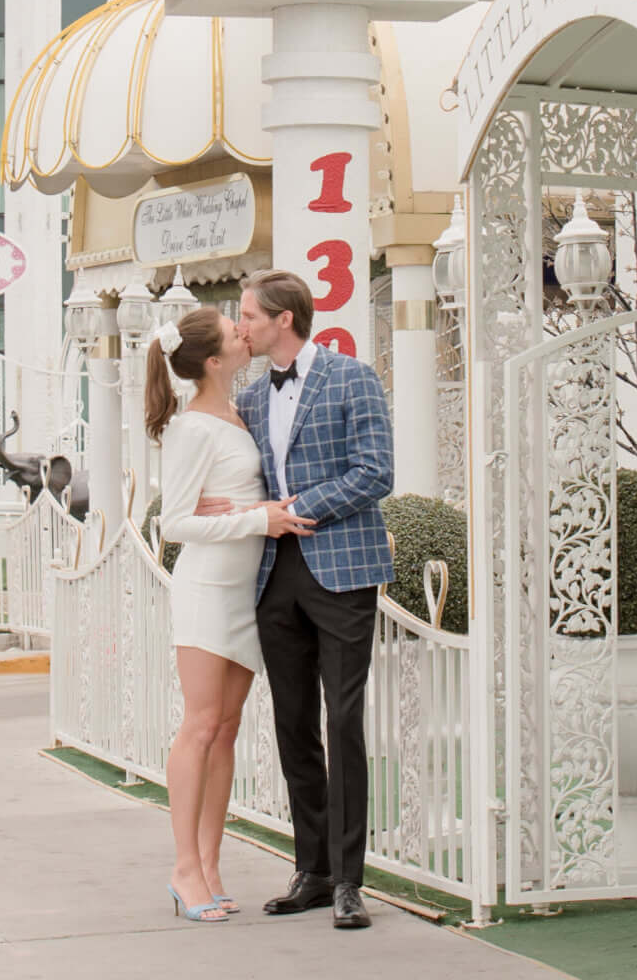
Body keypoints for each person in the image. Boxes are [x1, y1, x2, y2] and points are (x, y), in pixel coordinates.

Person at [229, 270, 395, 933]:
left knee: (343, 721)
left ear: (284, 320)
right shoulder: (245, 398)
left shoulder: (353, 378)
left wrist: (302, 508)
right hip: (275, 575)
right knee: (293, 725)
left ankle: (353, 881)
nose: (241, 325)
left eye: (248, 315)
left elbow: (376, 471)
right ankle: (313, 872)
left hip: (342, 569)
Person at [149, 304, 304, 921]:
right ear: (214, 360)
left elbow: (237, 496)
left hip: (247, 589)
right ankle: (185, 867)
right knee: (201, 725)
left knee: (228, 727)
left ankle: (211, 863)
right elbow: (176, 521)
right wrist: (256, 518)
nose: (245, 331)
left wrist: (258, 510)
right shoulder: (192, 428)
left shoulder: (237, 414)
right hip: (208, 589)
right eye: (232, 329)